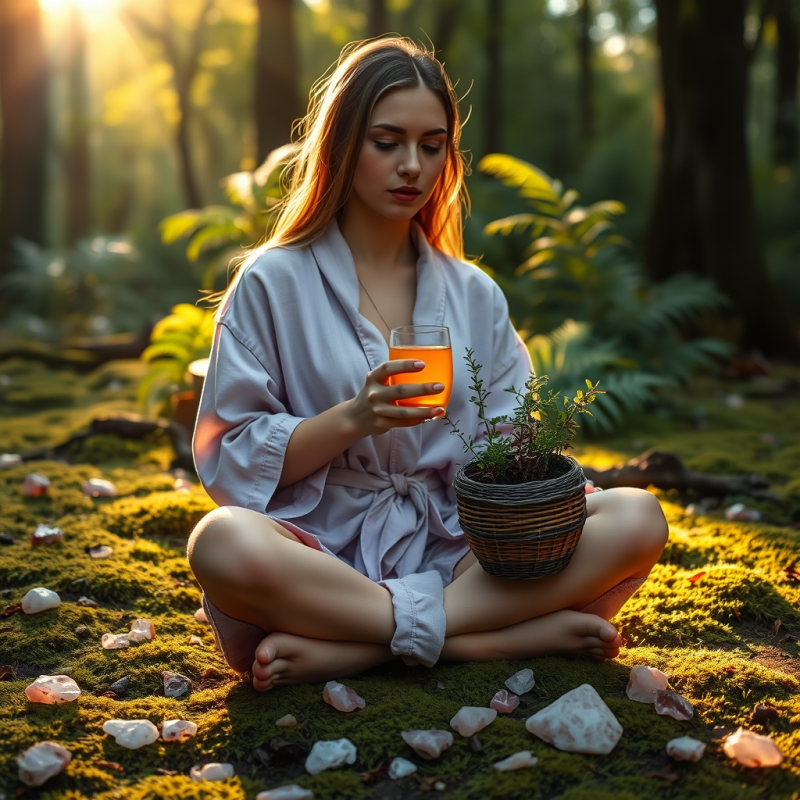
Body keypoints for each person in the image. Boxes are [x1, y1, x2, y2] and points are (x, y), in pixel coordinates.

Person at [187, 37, 669, 693]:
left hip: (461, 543)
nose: (411, 165)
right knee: (219, 542)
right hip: (323, 552)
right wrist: (352, 419)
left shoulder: (473, 293)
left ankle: (361, 646)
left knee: (638, 517)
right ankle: (495, 638)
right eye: (387, 141)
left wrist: (525, 474)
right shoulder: (272, 282)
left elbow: (508, 442)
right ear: (342, 143)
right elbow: (231, 454)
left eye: (432, 144)